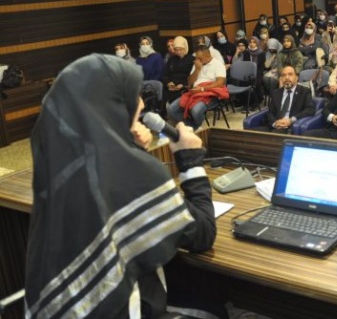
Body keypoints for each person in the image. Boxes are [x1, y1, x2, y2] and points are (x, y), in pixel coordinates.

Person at [26, 54, 217, 318]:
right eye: (133, 96)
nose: (141, 103)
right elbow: (203, 234)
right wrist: (190, 160)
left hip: (64, 307)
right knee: (218, 309)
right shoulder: (133, 177)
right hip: (124, 308)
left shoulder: (57, 168)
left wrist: (125, 148)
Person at [167, 44, 227, 128]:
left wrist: (202, 89)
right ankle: (192, 126)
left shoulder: (218, 64)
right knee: (171, 109)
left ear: (207, 55)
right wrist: (197, 69)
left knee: (195, 111)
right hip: (194, 92)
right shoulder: (197, 64)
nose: (197, 60)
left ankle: (195, 127)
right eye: (196, 57)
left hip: (210, 94)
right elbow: (189, 82)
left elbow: (220, 83)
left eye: (200, 58)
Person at [257, 65, 315, 134]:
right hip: (274, 126)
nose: (287, 78)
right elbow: (269, 112)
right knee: (249, 134)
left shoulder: (304, 91)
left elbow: (310, 110)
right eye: (284, 75)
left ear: (297, 78)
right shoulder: (276, 93)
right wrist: (275, 123)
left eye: (290, 74)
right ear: (281, 79)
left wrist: (291, 120)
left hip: (289, 128)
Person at [163, 35, 195, 103]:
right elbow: (166, 74)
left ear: (185, 48)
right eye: (176, 50)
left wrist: (183, 85)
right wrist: (168, 83)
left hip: (184, 87)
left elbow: (193, 76)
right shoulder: (171, 59)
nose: (178, 52)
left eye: (180, 49)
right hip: (171, 87)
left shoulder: (192, 59)